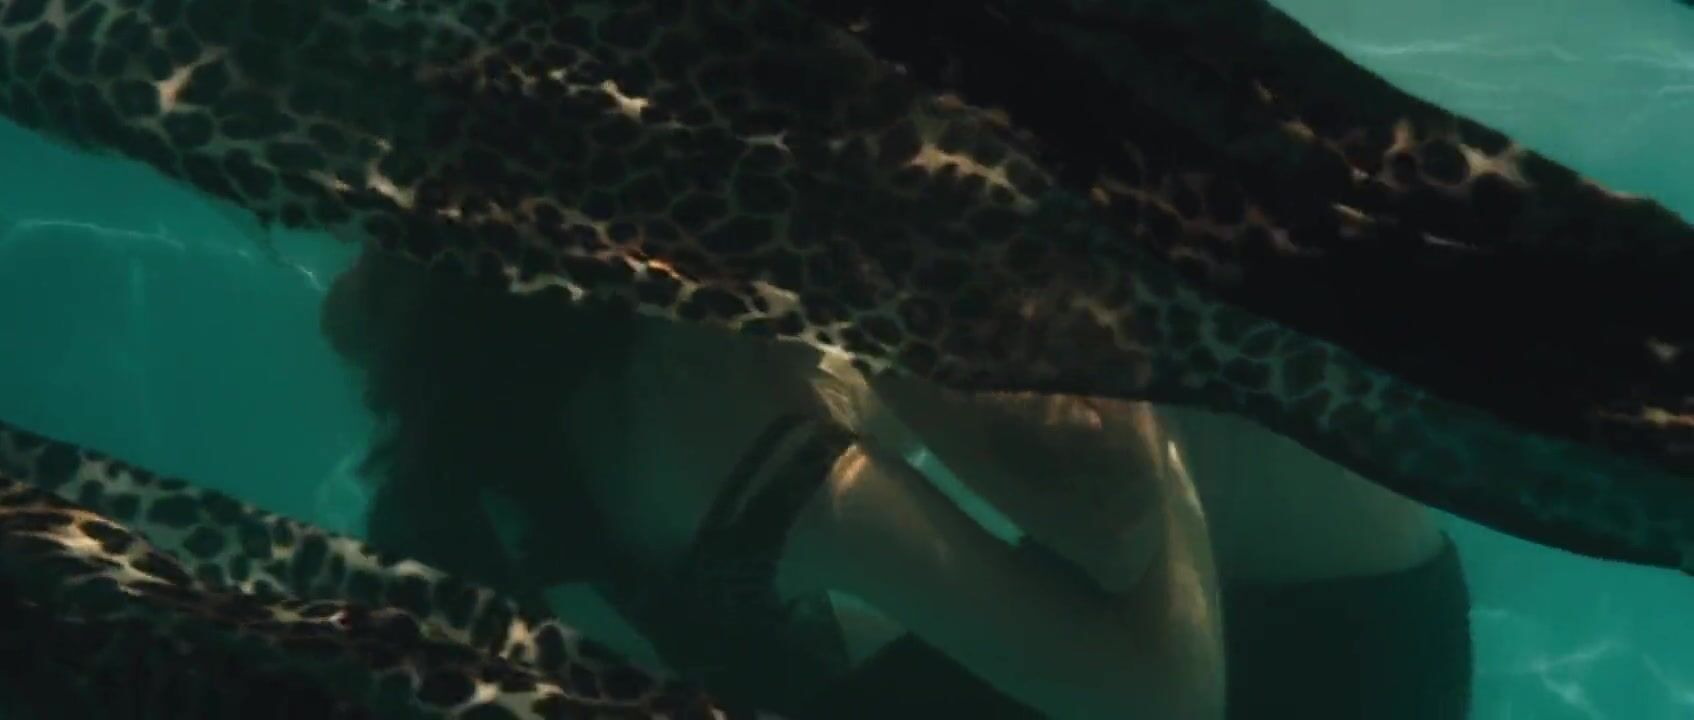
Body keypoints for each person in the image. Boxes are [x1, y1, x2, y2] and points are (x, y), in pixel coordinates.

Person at [322, 249, 1471, 719]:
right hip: (1333, 665)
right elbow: (1159, 703)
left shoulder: (466, 380)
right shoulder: (739, 438)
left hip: (1333, 615)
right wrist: (1150, 405)